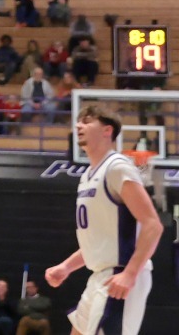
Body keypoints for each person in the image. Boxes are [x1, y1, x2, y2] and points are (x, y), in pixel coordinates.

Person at [46, 104, 163, 335]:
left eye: (87, 121)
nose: (79, 125)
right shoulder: (88, 176)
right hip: (99, 276)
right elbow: (102, 239)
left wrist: (129, 274)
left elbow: (153, 225)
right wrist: (66, 267)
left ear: (107, 130)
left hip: (120, 275)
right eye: (79, 121)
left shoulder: (117, 167)